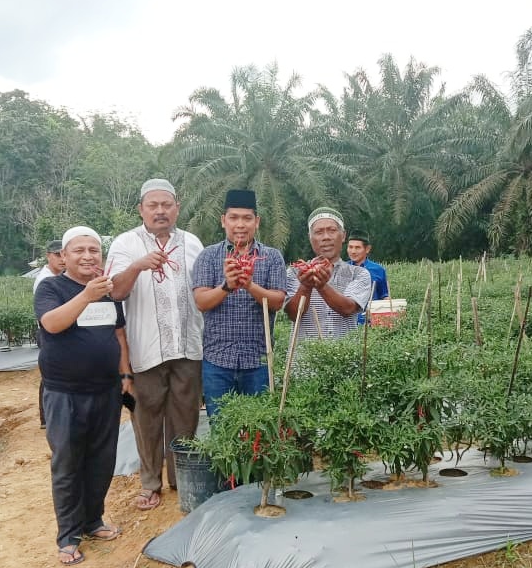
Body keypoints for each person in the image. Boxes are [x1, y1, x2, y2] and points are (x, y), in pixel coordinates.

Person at [107, 178, 203, 511]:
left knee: (186, 416)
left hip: (188, 347)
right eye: (153, 205)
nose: (160, 211)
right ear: (141, 210)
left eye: (166, 205)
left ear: (177, 208)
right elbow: (115, 292)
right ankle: (150, 483)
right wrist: (137, 266)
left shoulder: (192, 243)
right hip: (145, 349)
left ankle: (182, 477)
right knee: (146, 418)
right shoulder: (125, 244)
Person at [36, 226, 128, 565]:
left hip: (106, 390)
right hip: (65, 394)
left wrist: (125, 373)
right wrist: (87, 294)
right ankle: (68, 535)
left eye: (94, 250)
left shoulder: (108, 291)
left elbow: (118, 334)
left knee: (101, 462)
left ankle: (93, 521)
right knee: (68, 464)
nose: (88, 255)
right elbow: (52, 324)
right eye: (79, 250)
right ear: (63, 257)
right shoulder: (51, 288)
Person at [191, 189, 286, 417]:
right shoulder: (208, 256)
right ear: (223, 221)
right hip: (217, 361)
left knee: (259, 432)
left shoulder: (272, 257)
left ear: (257, 222)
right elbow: (201, 302)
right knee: (222, 431)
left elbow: (277, 301)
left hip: (259, 360)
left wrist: (249, 285)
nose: (240, 225)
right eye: (233, 218)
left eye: (247, 218)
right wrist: (227, 286)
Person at [285, 206, 372, 342]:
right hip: (303, 360)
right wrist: (305, 287)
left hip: (344, 359)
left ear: (343, 236)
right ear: (310, 237)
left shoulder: (358, 274)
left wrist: (322, 286)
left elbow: (348, 308)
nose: (326, 237)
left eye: (332, 230)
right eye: (318, 232)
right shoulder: (294, 272)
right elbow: (292, 314)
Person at [33, 239, 65, 427]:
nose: (61, 259)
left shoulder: (58, 277)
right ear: (48, 256)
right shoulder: (46, 280)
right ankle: (46, 417)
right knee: (50, 375)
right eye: (57, 255)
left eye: (63, 254)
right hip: (48, 331)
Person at [346, 230, 390, 324]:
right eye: (350, 247)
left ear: (367, 249)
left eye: (357, 247)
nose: (353, 251)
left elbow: (384, 296)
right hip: (348, 324)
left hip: (371, 324)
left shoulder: (378, 270)